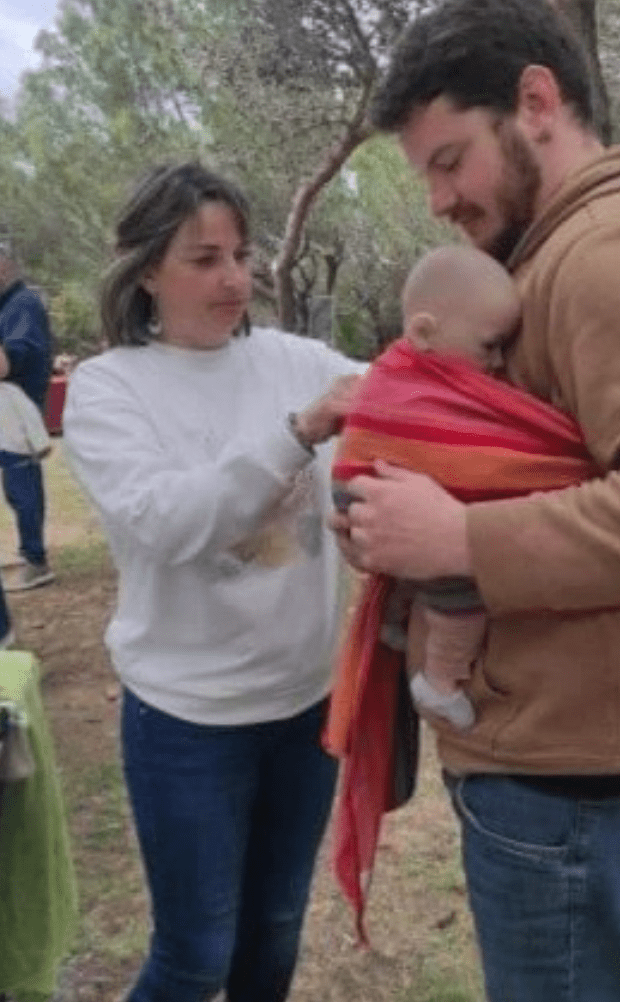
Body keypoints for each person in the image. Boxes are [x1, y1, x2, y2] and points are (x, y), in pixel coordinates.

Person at [330, 1, 620, 999]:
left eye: (448, 159)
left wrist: (459, 535)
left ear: (535, 103)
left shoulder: (608, 253)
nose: (436, 199)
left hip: (581, 792)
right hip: (572, 763)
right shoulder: (551, 250)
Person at [63, 161, 363, 1002]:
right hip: (189, 724)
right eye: (203, 258)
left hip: (306, 709)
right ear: (148, 268)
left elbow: (401, 388)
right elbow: (169, 523)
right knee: (194, 956)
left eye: (240, 253)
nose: (235, 278)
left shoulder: (292, 358)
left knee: (272, 939)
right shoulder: (109, 388)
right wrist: (299, 433)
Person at [334, 244, 522, 731]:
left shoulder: (394, 372)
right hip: (371, 494)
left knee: (420, 557)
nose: (499, 361)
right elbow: (454, 456)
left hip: (359, 491)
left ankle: (398, 621)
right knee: (464, 576)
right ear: (423, 332)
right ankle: (440, 680)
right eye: (488, 346)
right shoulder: (418, 385)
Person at [0, 246, 54, 591]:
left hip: (17, 409)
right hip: (7, 407)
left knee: (21, 482)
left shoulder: (23, 305)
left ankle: (36, 560)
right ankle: (28, 554)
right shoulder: (9, 305)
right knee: (14, 483)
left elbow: (13, 359)